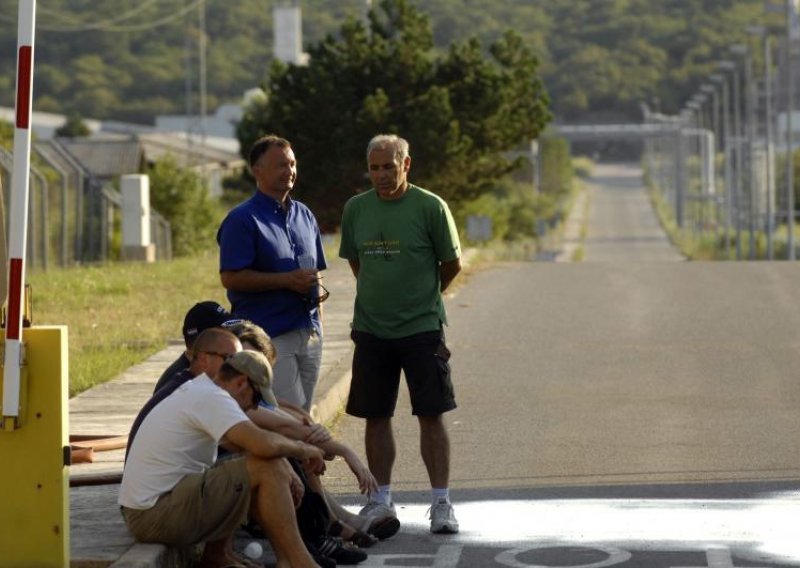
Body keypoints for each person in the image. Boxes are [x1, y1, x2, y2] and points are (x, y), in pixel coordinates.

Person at [338, 134, 462, 534]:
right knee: (376, 416)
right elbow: (357, 263)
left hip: (422, 329)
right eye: (374, 168)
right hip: (372, 330)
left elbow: (451, 263)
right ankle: (381, 500)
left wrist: (420, 298)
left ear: (406, 165)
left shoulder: (430, 207)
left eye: (389, 167)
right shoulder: (356, 209)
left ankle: (441, 503)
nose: (381, 176)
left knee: (431, 414)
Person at [119, 333, 326, 568]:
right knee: (266, 467)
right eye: (257, 398)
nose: (255, 406)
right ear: (240, 383)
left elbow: (244, 448)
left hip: (151, 509)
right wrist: (304, 449)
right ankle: (298, 562)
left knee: (256, 466)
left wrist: (287, 468)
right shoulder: (213, 398)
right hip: (154, 514)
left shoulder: (201, 390)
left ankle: (220, 557)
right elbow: (263, 445)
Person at [230, 320, 400, 543]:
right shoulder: (223, 392)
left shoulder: (244, 386)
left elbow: (285, 413)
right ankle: (323, 528)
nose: (251, 365)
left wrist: (311, 434)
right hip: (216, 479)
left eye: (258, 362)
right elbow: (279, 424)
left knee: (301, 452)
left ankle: (333, 522)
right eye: (246, 358)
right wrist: (342, 450)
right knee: (292, 455)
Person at [217, 134, 327, 412]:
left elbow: (316, 273)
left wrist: (319, 327)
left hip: (309, 331)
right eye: (280, 165)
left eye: (292, 164)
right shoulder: (242, 219)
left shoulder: (305, 215)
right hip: (271, 335)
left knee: (305, 410)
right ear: (257, 170)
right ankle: (293, 457)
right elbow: (230, 277)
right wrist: (286, 281)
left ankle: (300, 457)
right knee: (288, 413)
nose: (288, 171)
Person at [153, 300, 241, 394]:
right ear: (202, 341)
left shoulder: (202, 375)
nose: (233, 338)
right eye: (225, 333)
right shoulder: (183, 387)